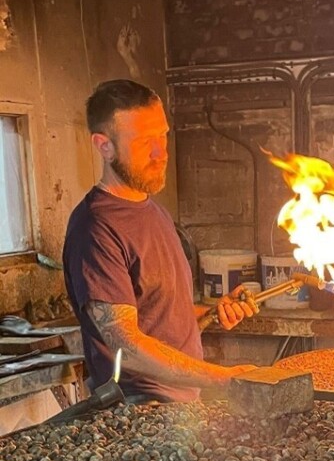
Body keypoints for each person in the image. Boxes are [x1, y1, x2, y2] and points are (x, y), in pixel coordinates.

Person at [63, 79, 257, 403]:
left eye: (162, 136)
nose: (160, 153)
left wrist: (211, 312)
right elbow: (127, 346)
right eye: (143, 142)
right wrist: (224, 378)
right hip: (139, 411)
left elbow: (157, 319)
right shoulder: (96, 227)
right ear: (104, 146)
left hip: (179, 405)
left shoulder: (153, 211)